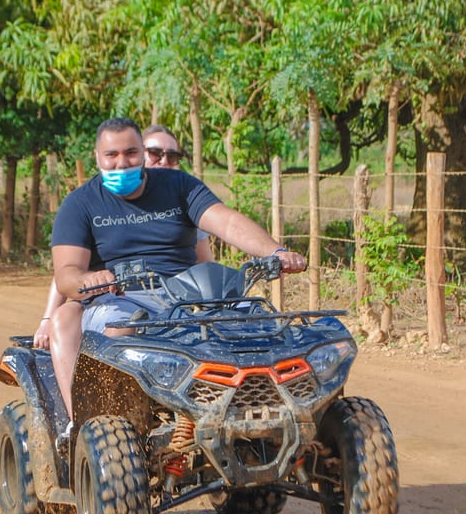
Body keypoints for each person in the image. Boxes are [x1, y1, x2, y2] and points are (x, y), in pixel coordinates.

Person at [49, 117, 306, 426]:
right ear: (97, 157)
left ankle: (277, 414)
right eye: (111, 155)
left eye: (130, 153)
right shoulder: (80, 204)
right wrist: (89, 279)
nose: (121, 163)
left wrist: (275, 252)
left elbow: (225, 221)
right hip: (124, 298)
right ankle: (106, 425)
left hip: (189, 292)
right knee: (121, 328)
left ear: (142, 152)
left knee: (260, 324)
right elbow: (66, 274)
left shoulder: (178, 186)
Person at [32, 124, 211, 349]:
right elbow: (67, 271)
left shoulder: (187, 201)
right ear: (142, 154)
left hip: (177, 300)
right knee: (68, 317)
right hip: (119, 299)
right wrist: (47, 319)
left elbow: (205, 266)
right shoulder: (93, 202)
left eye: (172, 156)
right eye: (156, 154)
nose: (164, 161)